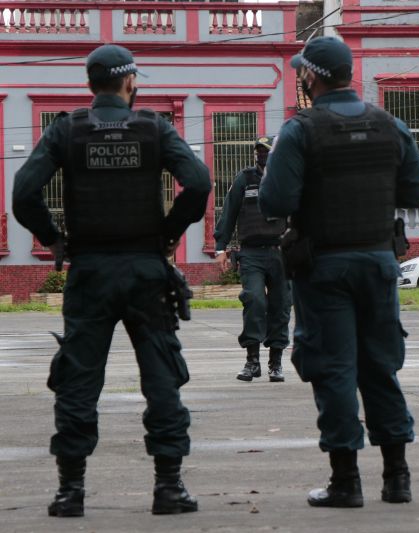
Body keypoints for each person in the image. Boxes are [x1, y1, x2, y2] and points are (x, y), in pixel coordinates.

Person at [12, 44, 211, 516]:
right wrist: (169, 233)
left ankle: (70, 493)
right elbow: (199, 182)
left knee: (79, 380)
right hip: (145, 269)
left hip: (90, 271)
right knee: (161, 377)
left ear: (89, 84)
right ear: (131, 82)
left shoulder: (67, 130)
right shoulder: (154, 127)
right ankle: (169, 489)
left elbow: (23, 192)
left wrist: (53, 239)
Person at [258, 36, 419, 508]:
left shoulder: (301, 130)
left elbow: (274, 202)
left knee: (333, 369)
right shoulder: (390, 124)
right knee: (380, 367)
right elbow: (415, 194)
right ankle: (397, 477)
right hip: (378, 261)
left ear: (311, 77)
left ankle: (345, 481)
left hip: (324, 265)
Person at [213, 136, 291, 383]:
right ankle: (252, 361)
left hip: (282, 253)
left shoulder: (289, 179)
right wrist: (219, 248)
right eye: (258, 151)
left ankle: (276, 363)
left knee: (280, 306)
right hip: (252, 253)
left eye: (266, 152)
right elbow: (229, 212)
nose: (262, 155)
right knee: (254, 301)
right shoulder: (244, 179)